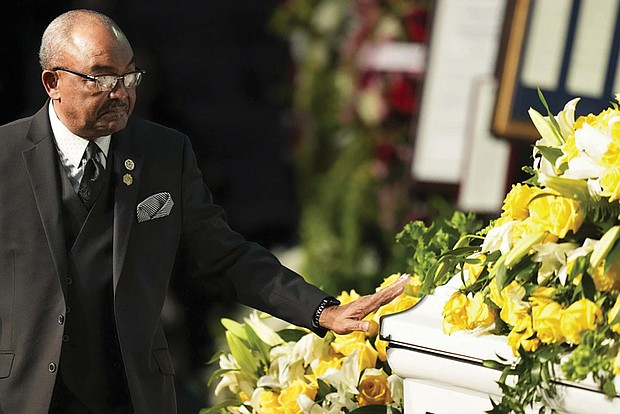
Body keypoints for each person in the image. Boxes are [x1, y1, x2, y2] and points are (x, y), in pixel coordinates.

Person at [0, 9, 410, 414]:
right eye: (102, 78)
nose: (121, 93)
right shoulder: (5, 156)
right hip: (25, 394)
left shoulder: (164, 153)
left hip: (132, 395)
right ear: (53, 82)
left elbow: (225, 256)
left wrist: (322, 310)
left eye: (129, 77)